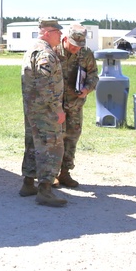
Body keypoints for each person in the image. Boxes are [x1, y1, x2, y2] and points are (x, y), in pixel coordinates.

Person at [19, 19, 68, 207]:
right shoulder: (45, 53)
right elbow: (45, 83)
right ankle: (45, 190)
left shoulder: (33, 49)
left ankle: (28, 183)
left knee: (32, 143)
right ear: (47, 32)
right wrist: (57, 109)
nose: (61, 35)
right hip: (45, 110)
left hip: (33, 108)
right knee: (52, 146)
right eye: (57, 31)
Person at [55, 24, 99, 188]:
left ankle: (65, 173)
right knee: (55, 138)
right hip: (56, 105)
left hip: (75, 104)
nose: (76, 49)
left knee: (72, 137)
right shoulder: (54, 51)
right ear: (65, 39)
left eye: (79, 45)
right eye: (73, 45)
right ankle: (51, 174)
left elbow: (94, 74)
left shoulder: (86, 53)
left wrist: (87, 88)